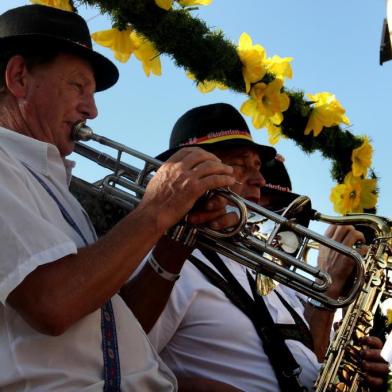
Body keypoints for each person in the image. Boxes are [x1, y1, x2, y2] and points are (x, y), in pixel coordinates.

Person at [0, 5, 239, 391]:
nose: (91, 110)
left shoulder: (53, 184)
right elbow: (53, 304)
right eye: (78, 86)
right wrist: (156, 209)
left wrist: (176, 240)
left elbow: (114, 319)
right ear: (19, 78)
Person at [132, 103, 389, 391]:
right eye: (240, 165)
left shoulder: (262, 275)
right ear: (191, 173)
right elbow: (122, 364)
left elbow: (301, 362)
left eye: (257, 166)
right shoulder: (164, 266)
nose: (260, 180)